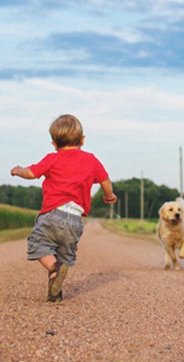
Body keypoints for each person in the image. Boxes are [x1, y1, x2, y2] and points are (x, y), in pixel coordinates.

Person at [11, 114, 117, 302]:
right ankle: (55, 291)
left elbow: (31, 173)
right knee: (63, 256)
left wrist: (19, 170)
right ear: (82, 140)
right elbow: (105, 180)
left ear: (53, 144)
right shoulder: (91, 160)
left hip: (53, 213)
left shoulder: (52, 158)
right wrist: (109, 196)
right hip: (75, 219)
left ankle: (54, 268)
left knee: (38, 245)